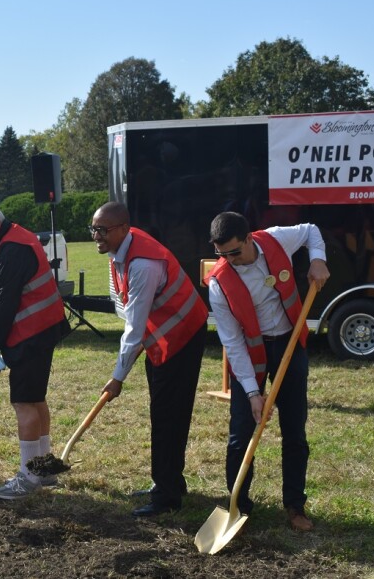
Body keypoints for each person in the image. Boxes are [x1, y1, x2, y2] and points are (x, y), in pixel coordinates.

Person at [208, 211, 330, 532]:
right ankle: (238, 506)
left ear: (249, 238)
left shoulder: (275, 238)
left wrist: (317, 260)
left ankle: (294, 506)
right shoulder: (219, 284)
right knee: (240, 435)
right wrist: (252, 393)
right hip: (251, 354)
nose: (229, 259)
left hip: (289, 345)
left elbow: (311, 229)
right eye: (222, 254)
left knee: (294, 431)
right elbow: (232, 343)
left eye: (235, 251)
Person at [90, 202, 208, 516]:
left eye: (102, 230)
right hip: (161, 336)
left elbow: (134, 327)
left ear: (122, 228)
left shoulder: (143, 263)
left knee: (168, 413)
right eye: (94, 229)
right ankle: (168, 481)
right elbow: (124, 304)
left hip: (182, 335)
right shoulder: (120, 250)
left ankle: (166, 498)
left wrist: (117, 377)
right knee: (163, 410)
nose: (96, 236)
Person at [0, 204, 68, 500]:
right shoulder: (15, 238)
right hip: (43, 329)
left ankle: (28, 476)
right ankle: (44, 467)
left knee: (24, 404)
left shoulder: (11, 250)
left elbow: (3, 302)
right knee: (36, 400)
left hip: (31, 334)